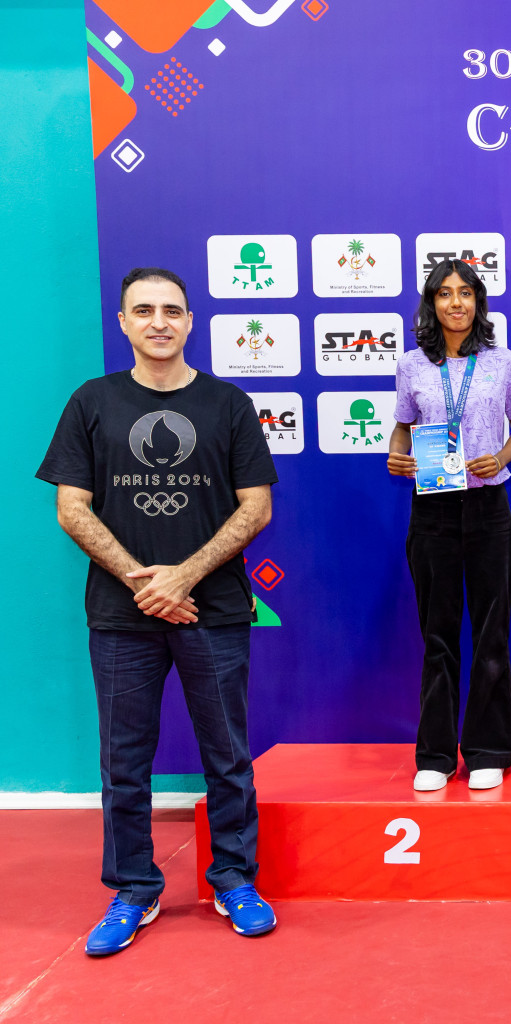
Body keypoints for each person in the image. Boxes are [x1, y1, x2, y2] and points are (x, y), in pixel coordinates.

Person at [36, 267, 279, 955]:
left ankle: (234, 879)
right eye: (143, 311)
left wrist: (183, 577)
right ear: (123, 322)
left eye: (172, 310)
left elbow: (256, 506)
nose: (159, 322)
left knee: (227, 756)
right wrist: (142, 581)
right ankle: (134, 889)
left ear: (190, 321)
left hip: (215, 610)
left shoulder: (228, 404)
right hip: (122, 616)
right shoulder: (91, 402)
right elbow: (71, 507)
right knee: (123, 763)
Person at [388, 259, 511, 792]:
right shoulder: (411, 365)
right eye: (445, 293)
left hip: (489, 508)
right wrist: (395, 456)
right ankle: (436, 755)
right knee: (438, 636)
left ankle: (488, 750)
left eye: (465, 293)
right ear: (432, 303)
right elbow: (402, 430)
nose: (456, 302)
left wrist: (500, 457)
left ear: (478, 301)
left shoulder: (504, 362)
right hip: (433, 511)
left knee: (492, 634)